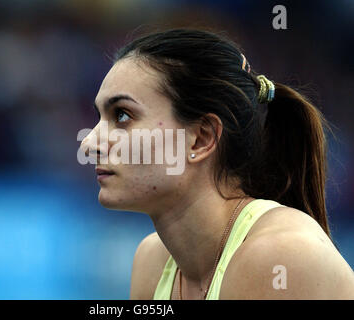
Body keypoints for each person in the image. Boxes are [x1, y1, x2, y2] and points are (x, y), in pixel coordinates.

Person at [80, 28, 354, 299]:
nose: (89, 144)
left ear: (201, 139)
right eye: (100, 117)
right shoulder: (152, 261)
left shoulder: (279, 256)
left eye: (123, 116)